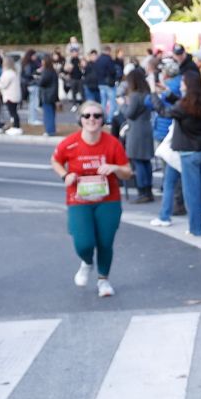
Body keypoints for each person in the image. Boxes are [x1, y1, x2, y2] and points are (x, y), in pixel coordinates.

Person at [51, 100, 131, 297]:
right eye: (87, 116)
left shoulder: (112, 143)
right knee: (83, 242)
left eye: (97, 116)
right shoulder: (70, 143)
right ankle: (87, 262)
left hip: (108, 199)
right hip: (79, 199)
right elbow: (55, 160)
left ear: (103, 120)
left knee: (105, 242)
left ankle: (103, 280)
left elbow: (127, 172)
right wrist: (65, 176)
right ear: (80, 119)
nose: (92, 119)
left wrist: (115, 168)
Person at [153, 68, 201, 236]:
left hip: (188, 152)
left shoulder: (184, 106)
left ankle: (196, 229)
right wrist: (169, 93)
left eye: (183, 83)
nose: (181, 85)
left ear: (188, 86)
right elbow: (183, 105)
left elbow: (164, 112)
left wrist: (153, 94)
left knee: (192, 192)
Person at [116, 66, 157, 204]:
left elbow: (129, 114)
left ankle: (142, 190)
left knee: (137, 161)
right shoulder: (146, 93)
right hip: (146, 127)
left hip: (136, 130)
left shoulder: (134, 95)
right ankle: (148, 189)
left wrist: (122, 105)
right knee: (146, 161)